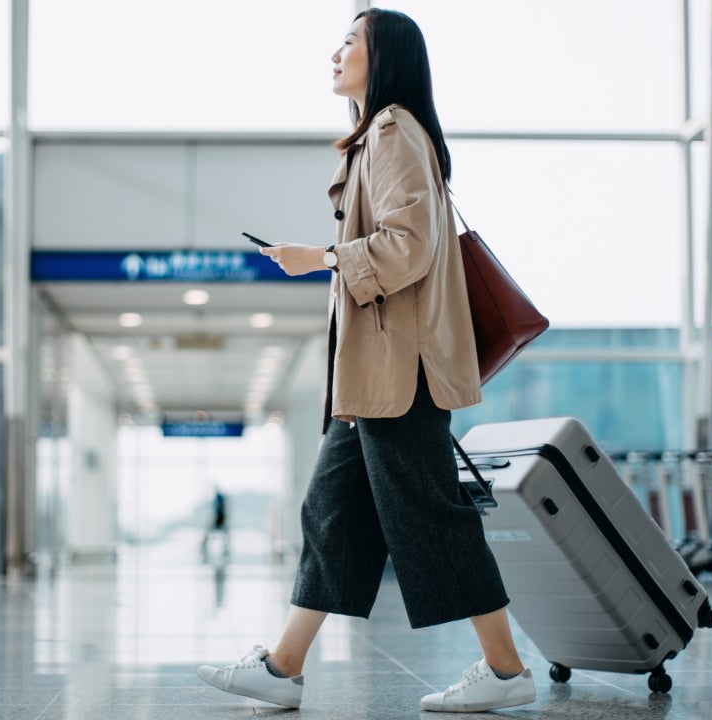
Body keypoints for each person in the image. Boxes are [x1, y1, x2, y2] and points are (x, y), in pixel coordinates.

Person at [196, 8, 535, 713]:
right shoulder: (376, 137)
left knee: (430, 515)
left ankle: (506, 671)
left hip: (396, 374)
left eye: (350, 41)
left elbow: (409, 246)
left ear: (384, 57)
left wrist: (317, 259)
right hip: (372, 378)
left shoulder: (391, 131)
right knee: (332, 513)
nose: (335, 52)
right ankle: (283, 666)